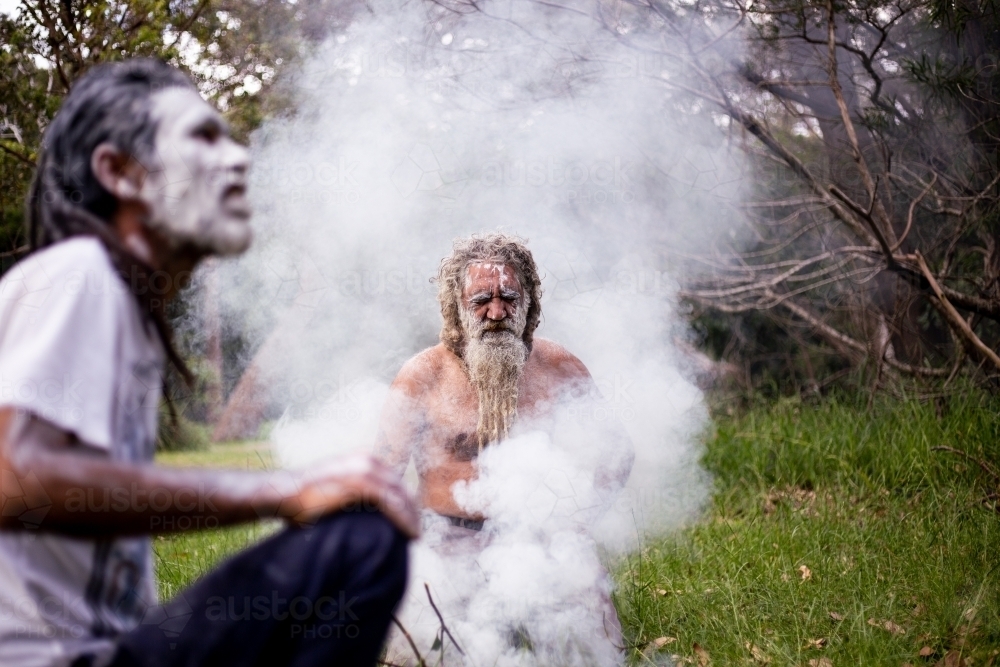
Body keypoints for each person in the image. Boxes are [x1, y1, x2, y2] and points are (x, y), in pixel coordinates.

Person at [0, 59, 419, 667]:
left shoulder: (123, 311)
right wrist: (286, 489)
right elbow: (13, 477)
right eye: (203, 136)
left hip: (114, 647)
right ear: (121, 172)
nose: (238, 157)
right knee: (361, 540)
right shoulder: (81, 274)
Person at [374, 233, 634, 663]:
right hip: (447, 545)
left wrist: (577, 527)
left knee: (594, 652)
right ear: (456, 306)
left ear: (529, 302)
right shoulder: (422, 376)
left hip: (540, 543)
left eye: (509, 298)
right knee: (428, 655)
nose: (496, 313)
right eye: (481, 300)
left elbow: (617, 455)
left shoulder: (559, 367)